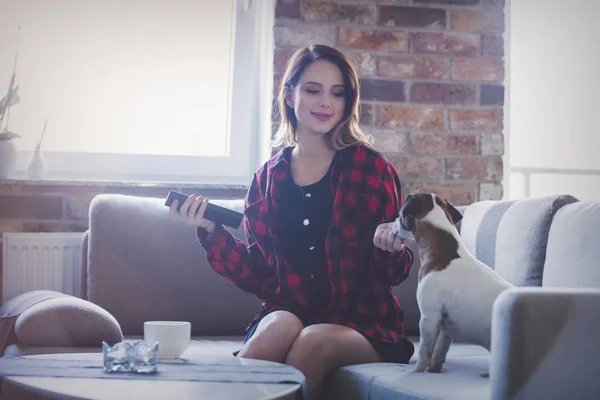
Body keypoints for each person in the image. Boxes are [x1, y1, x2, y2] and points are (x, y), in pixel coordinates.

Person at [170, 44, 414, 399]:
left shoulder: (373, 169)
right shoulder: (266, 179)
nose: (325, 103)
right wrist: (211, 231)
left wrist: (389, 249)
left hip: (366, 322)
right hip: (290, 309)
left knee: (313, 341)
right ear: (289, 95)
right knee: (275, 328)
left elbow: (396, 273)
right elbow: (261, 277)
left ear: (348, 102)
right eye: (313, 90)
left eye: (337, 93)